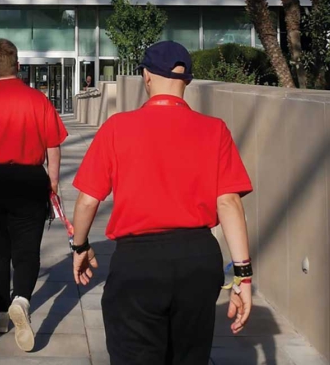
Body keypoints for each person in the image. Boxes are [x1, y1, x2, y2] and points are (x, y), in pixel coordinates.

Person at [69, 40, 254, 365]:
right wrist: (243, 277)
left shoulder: (117, 128)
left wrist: (80, 246)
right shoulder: (215, 130)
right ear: (188, 80)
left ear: (146, 76)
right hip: (197, 260)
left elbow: (87, 201)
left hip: (138, 264)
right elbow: (229, 204)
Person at [0, 38, 68, 352]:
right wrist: (53, 185)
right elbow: (53, 147)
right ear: (18, 65)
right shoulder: (38, 101)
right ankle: (21, 300)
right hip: (29, 181)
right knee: (27, 249)